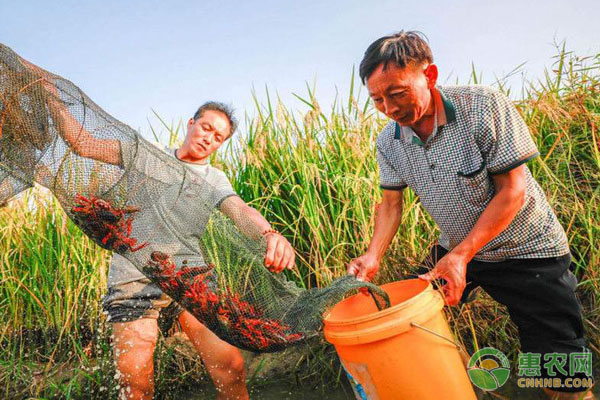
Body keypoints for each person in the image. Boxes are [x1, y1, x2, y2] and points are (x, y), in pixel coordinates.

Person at [347, 31, 593, 400]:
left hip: (529, 251)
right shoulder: (388, 141)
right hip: (457, 251)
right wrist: (373, 256)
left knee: (560, 373)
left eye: (397, 94)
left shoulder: (483, 107)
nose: (389, 108)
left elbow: (513, 191)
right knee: (409, 319)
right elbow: (390, 205)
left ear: (429, 76)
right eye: (378, 99)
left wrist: (461, 255)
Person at [53, 98, 295, 399]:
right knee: (136, 388)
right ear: (191, 124)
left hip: (187, 281)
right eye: (206, 128)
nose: (209, 138)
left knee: (231, 367)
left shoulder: (214, 179)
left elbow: (239, 210)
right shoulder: (148, 156)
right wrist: (52, 101)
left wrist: (269, 234)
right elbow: (85, 144)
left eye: (218, 137)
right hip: (134, 284)